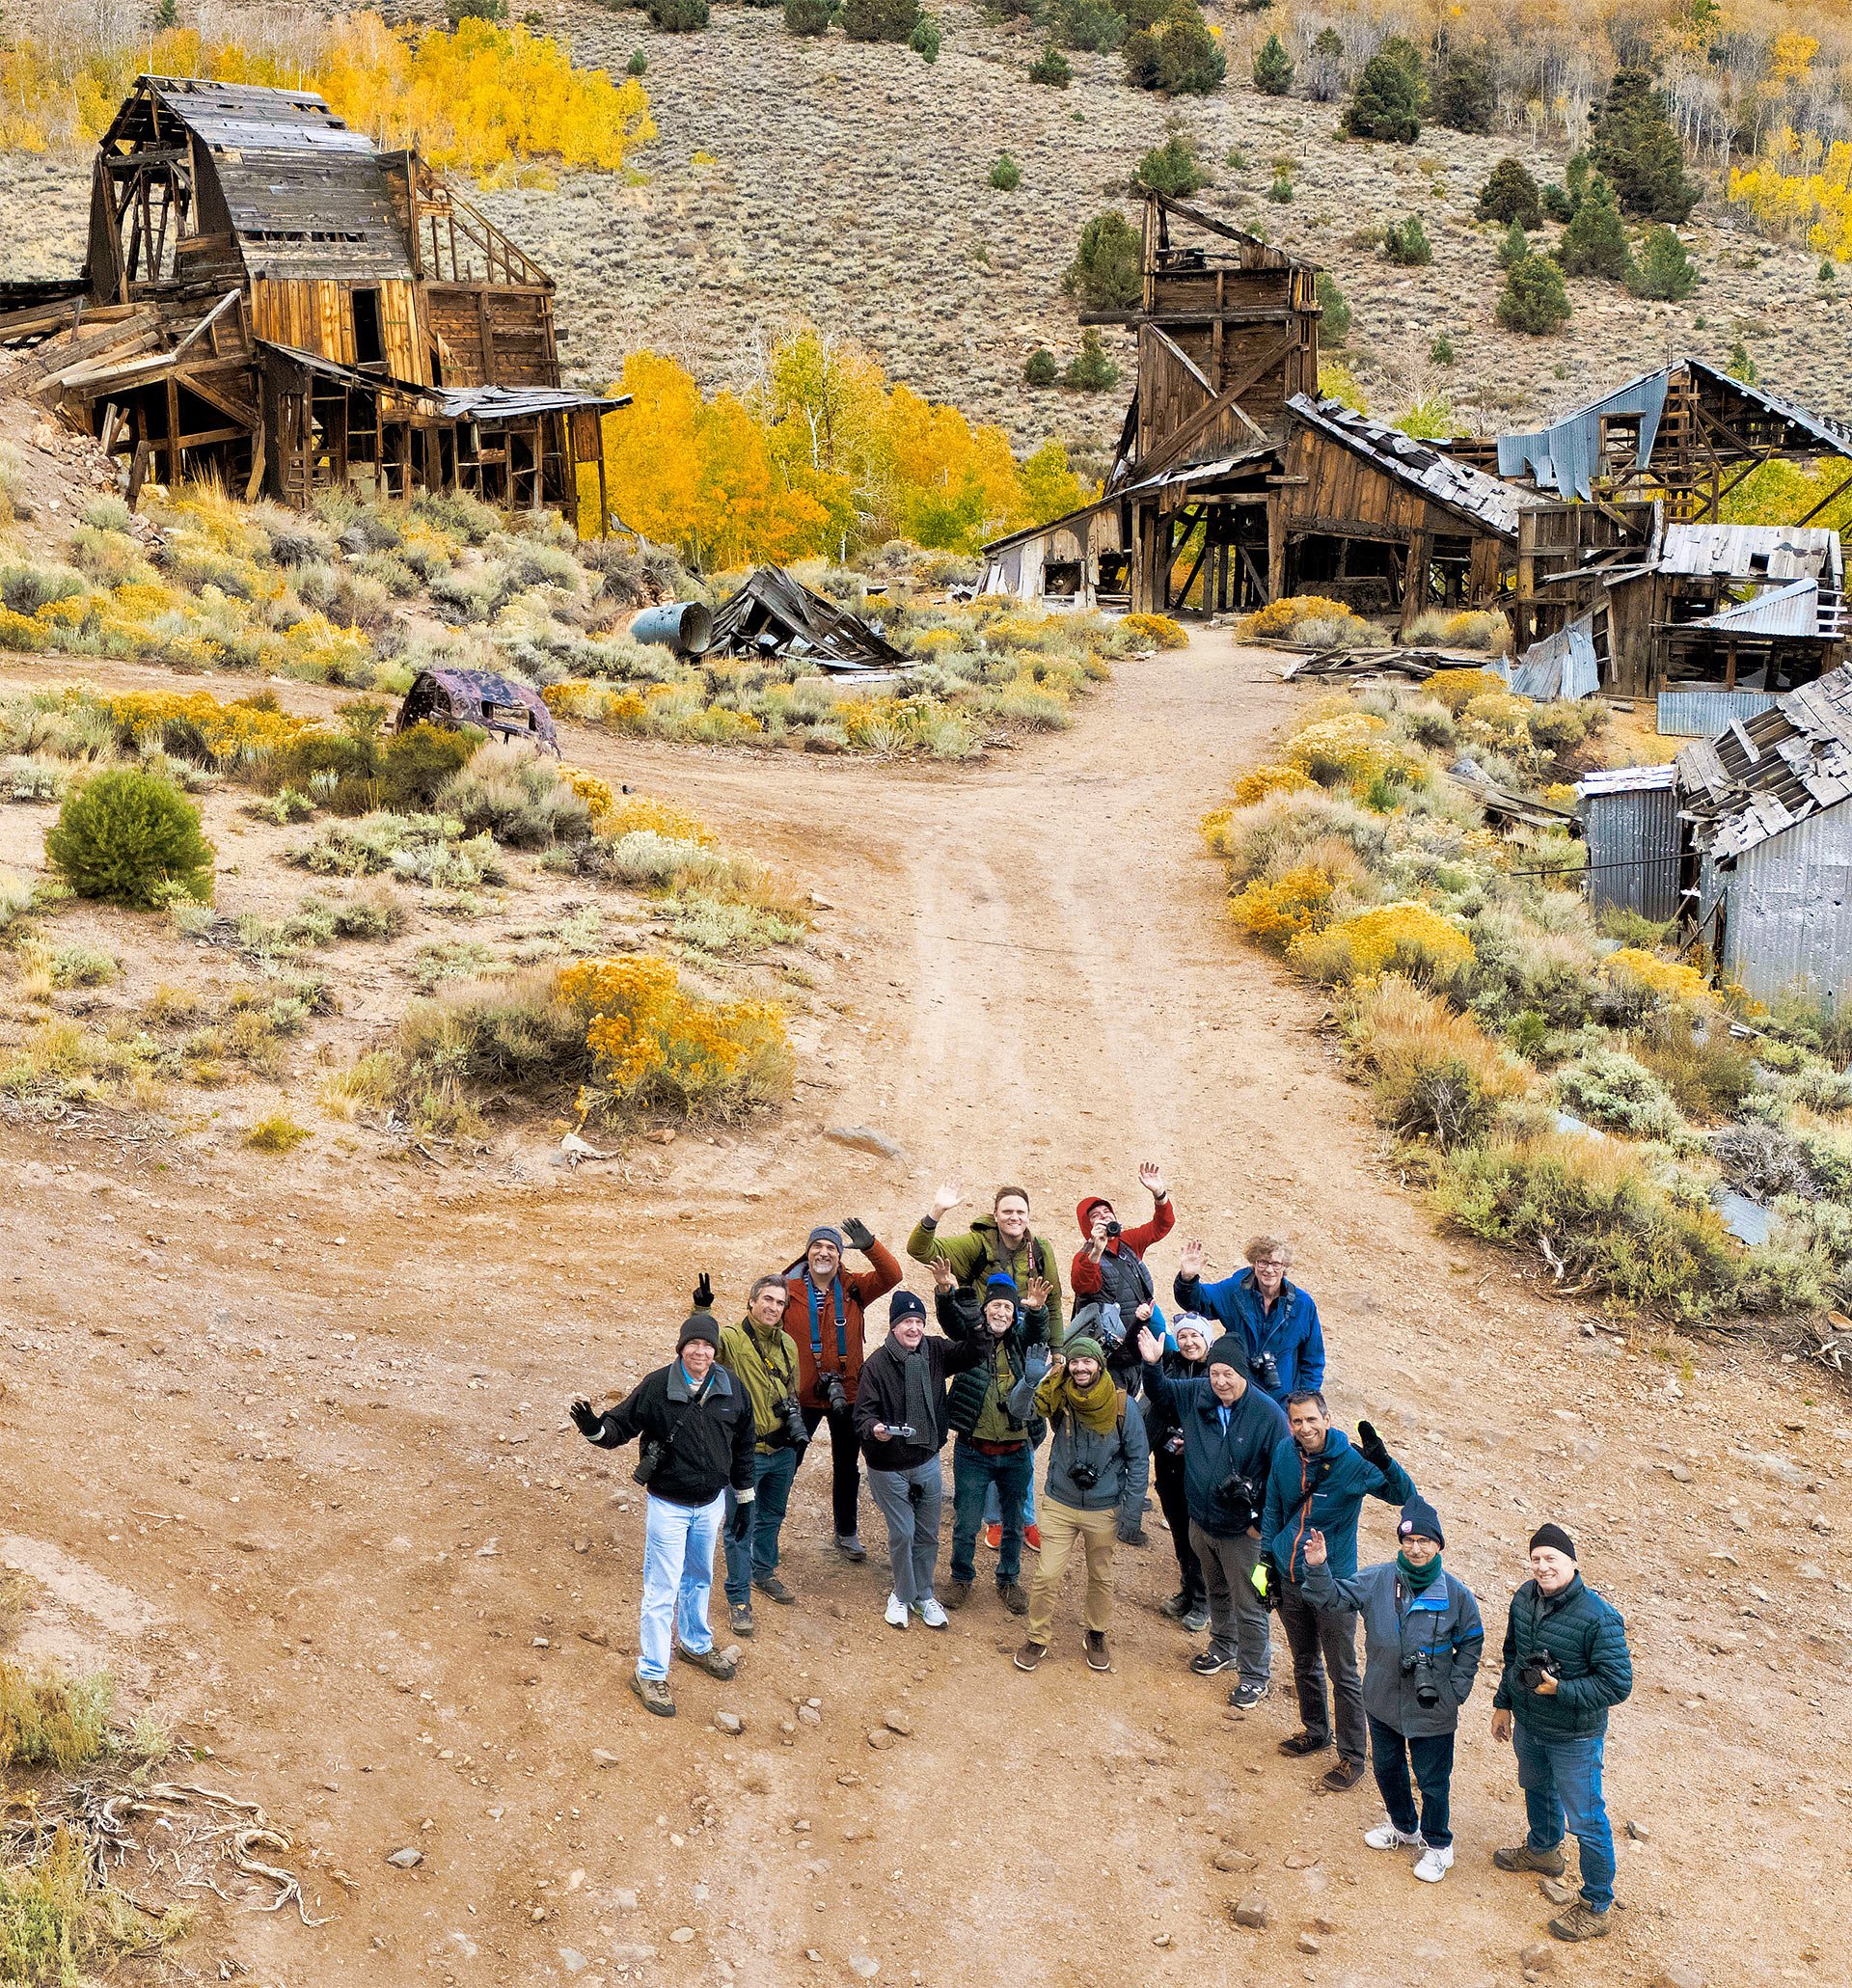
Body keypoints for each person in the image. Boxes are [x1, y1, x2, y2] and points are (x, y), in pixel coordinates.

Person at [569, 1310, 755, 1719]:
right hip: (668, 1507)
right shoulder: (658, 1386)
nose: (701, 1352)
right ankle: (651, 1672)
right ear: (681, 1348)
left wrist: (744, 1498)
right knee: (661, 1589)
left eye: (707, 1346)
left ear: (715, 1350)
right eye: (693, 1345)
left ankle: (695, 1644)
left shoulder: (732, 1389)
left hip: (711, 1505)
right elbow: (620, 1425)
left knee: (700, 1577)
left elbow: (744, 1445)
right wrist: (595, 1430)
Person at [1300, 1498, 1484, 1884]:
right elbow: (1331, 1598)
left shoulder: (1457, 1594)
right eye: (1408, 1541)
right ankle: (1403, 1827)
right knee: (1387, 1768)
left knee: (1433, 1779)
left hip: (1432, 1706)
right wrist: (1318, 1568)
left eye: (1424, 1541)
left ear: (1438, 1545)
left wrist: (1455, 1690)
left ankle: (1438, 1844)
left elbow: (1472, 1642)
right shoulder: (1379, 1579)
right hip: (1382, 1698)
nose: (1415, 1549)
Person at [1263, 1391, 1416, 1792]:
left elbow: (1403, 1496)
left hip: (1334, 1585)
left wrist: (1381, 1458)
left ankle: (1352, 1757)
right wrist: (1266, 1561)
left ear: (1327, 1419)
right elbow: (1275, 1508)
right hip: (1290, 1574)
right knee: (1303, 1661)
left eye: (1312, 1420)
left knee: (1343, 1671)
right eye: (1297, 1421)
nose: (1305, 1429)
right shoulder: (1284, 1452)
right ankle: (1315, 1731)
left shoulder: (1351, 1461)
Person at [1490, 1525, 1634, 1944]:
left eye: (1551, 1558)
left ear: (1573, 1562)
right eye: (1536, 1558)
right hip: (1531, 1724)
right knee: (1536, 1788)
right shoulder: (1524, 1596)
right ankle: (1543, 1850)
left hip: (1575, 1736)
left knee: (1587, 1820)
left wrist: (1560, 1689)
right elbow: (1513, 1655)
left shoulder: (1599, 1617)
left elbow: (1617, 1685)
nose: (1542, 1566)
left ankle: (1596, 1905)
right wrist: (1503, 1703)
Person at [1136, 1322, 1287, 1708]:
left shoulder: (1268, 1416)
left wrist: (1260, 1525)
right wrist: (1153, 1365)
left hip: (1244, 1532)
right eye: (1215, 1373)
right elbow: (1162, 1393)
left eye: (1228, 1375)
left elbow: (1283, 1474)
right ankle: (1223, 1646)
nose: (1220, 1382)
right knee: (1215, 1589)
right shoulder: (1198, 1392)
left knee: (1251, 1603)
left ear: (1244, 1375)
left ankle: (1255, 1676)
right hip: (1201, 1522)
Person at [910, 1180, 1065, 1549]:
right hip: (982, 1340)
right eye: (1007, 1211)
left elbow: (1054, 1301)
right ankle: (995, 1520)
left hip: (1025, 1341)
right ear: (995, 1215)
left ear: (1029, 1216)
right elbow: (919, 1249)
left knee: (1021, 1427)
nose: (1014, 1217)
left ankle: (1022, 1517)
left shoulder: (1041, 1250)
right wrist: (937, 1211)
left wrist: (1057, 1349)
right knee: (985, 1420)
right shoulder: (977, 1244)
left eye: (1020, 1212)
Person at [1013, 1334, 1150, 1673]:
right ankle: (1037, 1637)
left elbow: (1138, 1458)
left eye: (1087, 1361)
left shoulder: (1122, 1405)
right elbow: (1019, 1412)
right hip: (1061, 1500)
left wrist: (1131, 1513)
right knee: (1046, 1575)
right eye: (1074, 1361)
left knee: (1101, 1576)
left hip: (1104, 1507)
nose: (1080, 1368)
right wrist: (1030, 1382)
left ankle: (1097, 1632)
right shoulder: (1058, 1395)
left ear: (1098, 1365)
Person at [852, 1287, 986, 1631]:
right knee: (903, 1532)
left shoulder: (936, 1351)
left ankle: (924, 1595)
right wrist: (875, 1428)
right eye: (906, 1322)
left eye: (918, 1321)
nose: (913, 1328)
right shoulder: (876, 1365)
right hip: (888, 1465)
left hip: (926, 1458)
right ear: (894, 1326)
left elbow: (975, 1352)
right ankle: (902, 1594)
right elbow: (861, 1415)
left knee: (927, 1534)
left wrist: (972, 1319)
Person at [782, 1219, 902, 1565]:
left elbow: (892, 1275)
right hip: (801, 1395)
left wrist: (870, 1245)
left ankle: (846, 1534)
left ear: (839, 1256)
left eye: (831, 1248)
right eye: (817, 1247)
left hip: (848, 1394)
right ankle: (765, 1529)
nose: (824, 1253)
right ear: (807, 1253)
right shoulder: (787, 1289)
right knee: (786, 1464)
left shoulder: (853, 1288)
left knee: (847, 1466)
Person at [939, 1265, 1051, 1616]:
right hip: (973, 1450)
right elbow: (950, 1319)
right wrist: (944, 1293)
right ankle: (960, 1578)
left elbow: (1036, 1332)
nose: (1000, 1312)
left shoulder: (1020, 1341)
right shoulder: (972, 1339)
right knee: (967, 1522)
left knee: (1015, 1523)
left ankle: (1008, 1579)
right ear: (985, 1311)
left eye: (1007, 1308)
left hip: (1017, 1449)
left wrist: (1035, 1310)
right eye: (995, 1307)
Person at [717, 1274, 807, 1639]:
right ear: (751, 1302)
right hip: (747, 1453)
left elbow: (792, 1392)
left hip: (782, 1450)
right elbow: (699, 1346)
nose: (772, 1307)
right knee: (739, 1526)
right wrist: (701, 1309)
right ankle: (739, 1599)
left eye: (779, 1302)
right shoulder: (733, 1340)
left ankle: (763, 1570)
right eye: (766, 1300)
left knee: (772, 1515)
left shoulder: (788, 1345)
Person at [1173, 1234, 1324, 1409]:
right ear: (1253, 1263)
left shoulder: (1302, 1304)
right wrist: (1188, 1279)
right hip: (1237, 1395)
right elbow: (1198, 1301)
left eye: (1276, 1264)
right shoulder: (1234, 1291)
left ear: (1285, 1267)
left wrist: (1303, 1403)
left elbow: (1313, 1360)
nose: (1269, 1270)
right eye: (1263, 1262)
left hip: (1281, 1401)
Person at [1070, 1162, 1175, 1389]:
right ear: (1087, 1227)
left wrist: (1159, 1193)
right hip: (1109, 1355)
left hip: (1136, 1346)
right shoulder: (1084, 1256)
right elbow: (1084, 1286)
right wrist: (1096, 1250)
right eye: (1095, 1216)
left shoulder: (1129, 1241)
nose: (1104, 1217)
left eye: (1107, 1212)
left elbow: (1162, 1225)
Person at [1143, 1315, 1211, 1632]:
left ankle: (1202, 1600)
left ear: (1207, 1340)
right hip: (1167, 1461)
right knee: (1179, 1532)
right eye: (1182, 1336)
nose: (1188, 1342)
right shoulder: (1168, 1362)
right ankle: (1187, 1590)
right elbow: (1157, 1394)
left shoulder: (1218, 1372)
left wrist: (1195, 1441)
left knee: (1198, 1535)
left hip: (1199, 1469)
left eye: (1195, 1336)